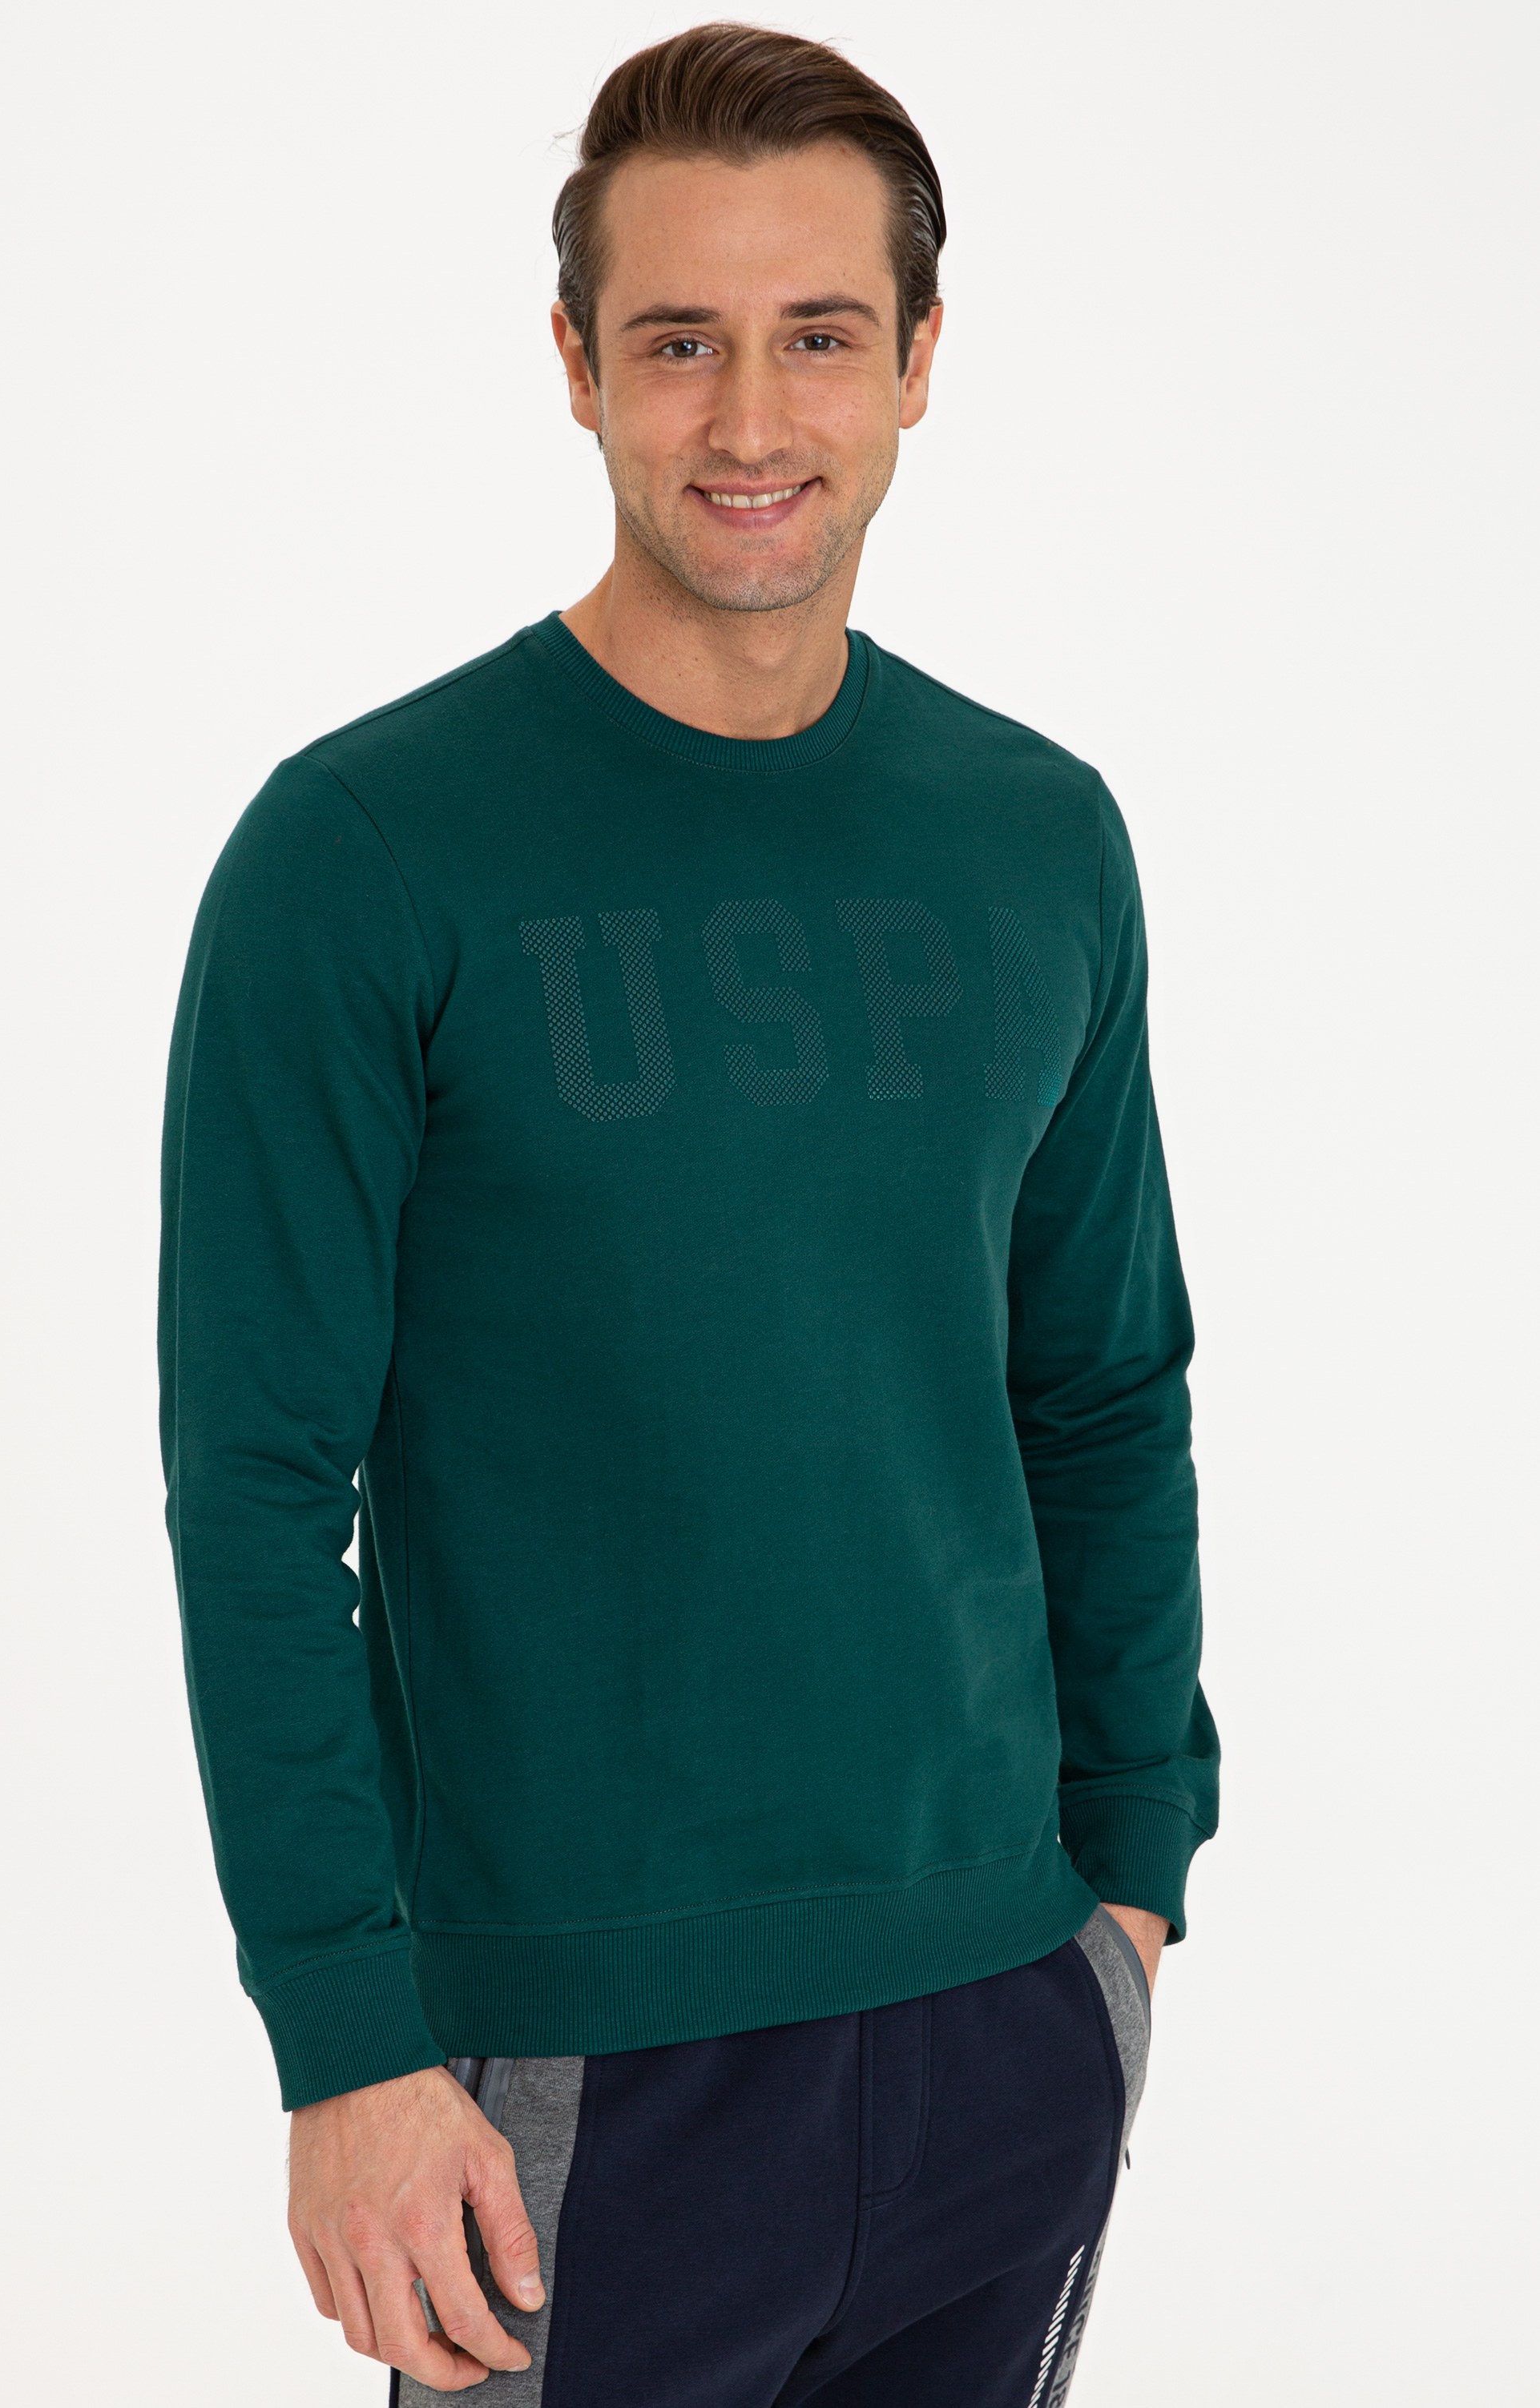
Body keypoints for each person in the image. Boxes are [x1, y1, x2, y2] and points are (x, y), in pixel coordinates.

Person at [159, 22, 1219, 2404]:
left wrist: (1128, 1887)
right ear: (576, 365)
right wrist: (345, 2039)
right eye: (677, 342)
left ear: (918, 360)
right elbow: (257, 1485)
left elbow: (1100, 1384)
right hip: (564, 2067)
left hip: (1005, 2017)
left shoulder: (1035, 837)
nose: (751, 419)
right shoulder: (363, 855)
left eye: (819, 334)